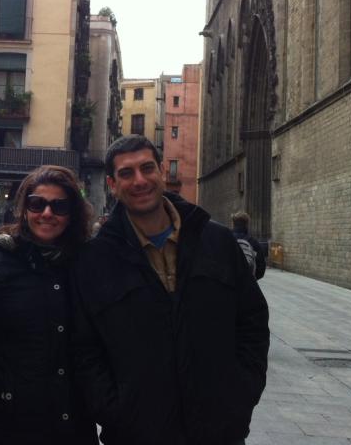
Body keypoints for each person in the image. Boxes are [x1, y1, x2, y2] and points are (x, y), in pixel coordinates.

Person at [71, 135, 269, 445]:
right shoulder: (95, 260)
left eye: (147, 168)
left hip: (219, 433)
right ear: (112, 184)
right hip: (135, 435)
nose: (140, 180)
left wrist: (241, 394)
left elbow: (252, 319)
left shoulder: (216, 241)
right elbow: (85, 348)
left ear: (161, 171)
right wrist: (115, 410)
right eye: (126, 173)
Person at [0, 165, 99, 445]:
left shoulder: (86, 267)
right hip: (5, 426)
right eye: (37, 203)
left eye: (59, 206)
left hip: (72, 424)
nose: (47, 213)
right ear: (24, 210)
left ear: (72, 213)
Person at [231, 211, 266, 280]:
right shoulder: (254, 243)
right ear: (247, 224)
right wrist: (252, 279)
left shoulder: (226, 239)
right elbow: (261, 267)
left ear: (232, 224)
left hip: (229, 282)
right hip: (248, 282)